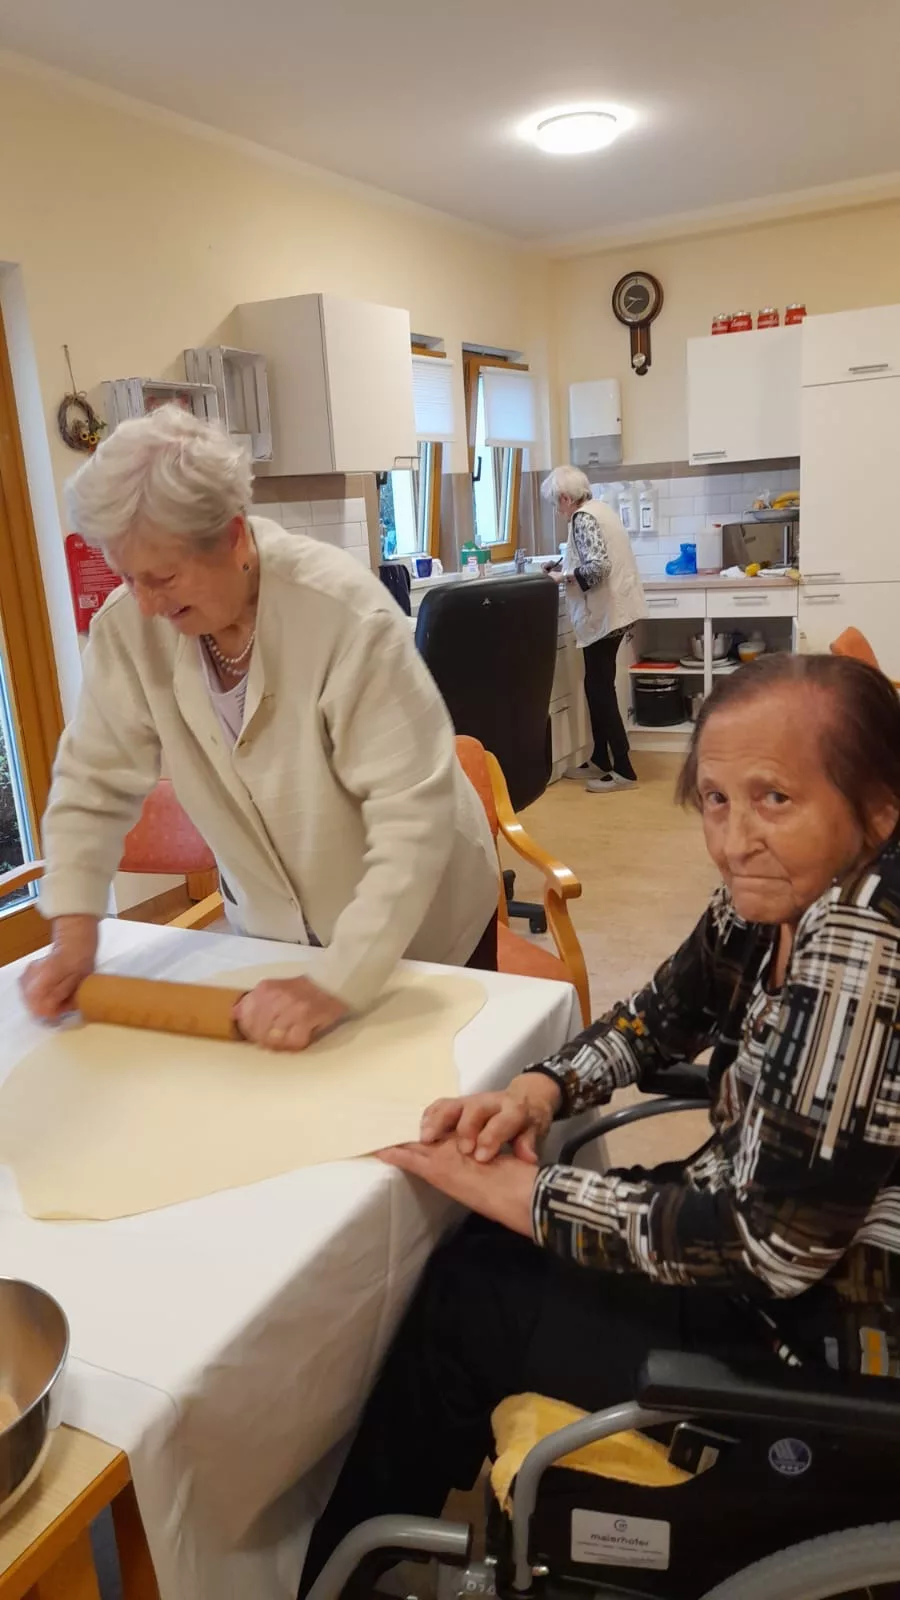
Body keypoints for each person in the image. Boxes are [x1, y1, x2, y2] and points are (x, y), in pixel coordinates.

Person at [300, 652, 900, 1591]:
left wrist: (528, 1193)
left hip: (817, 1345)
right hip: (766, 1261)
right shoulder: (784, 890)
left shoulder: (866, 945)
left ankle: (340, 1573)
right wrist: (543, 1088)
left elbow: (769, 1247)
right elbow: (662, 1014)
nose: (734, 840)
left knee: (470, 1295)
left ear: (878, 810)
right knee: (481, 1255)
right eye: (715, 800)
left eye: (774, 799)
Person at [22, 405, 498, 1050]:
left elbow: (412, 818)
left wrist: (339, 979)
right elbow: (92, 784)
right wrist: (74, 932)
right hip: (275, 937)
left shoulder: (343, 616)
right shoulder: (128, 628)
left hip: (420, 925)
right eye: (127, 576)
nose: (146, 604)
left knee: (442, 1089)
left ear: (234, 537)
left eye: (163, 577)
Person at [540, 465, 646, 794]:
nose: (557, 510)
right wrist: (562, 565)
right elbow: (591, 553)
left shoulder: (582, 518)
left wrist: (561, 577)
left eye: (555, 503)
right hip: (618, 610)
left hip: (606, 614)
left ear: (565, 497)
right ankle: (601, 757)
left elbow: (598, 567)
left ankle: (624, 769)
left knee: (600, 690)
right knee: (595, 686)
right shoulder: (600, 509)